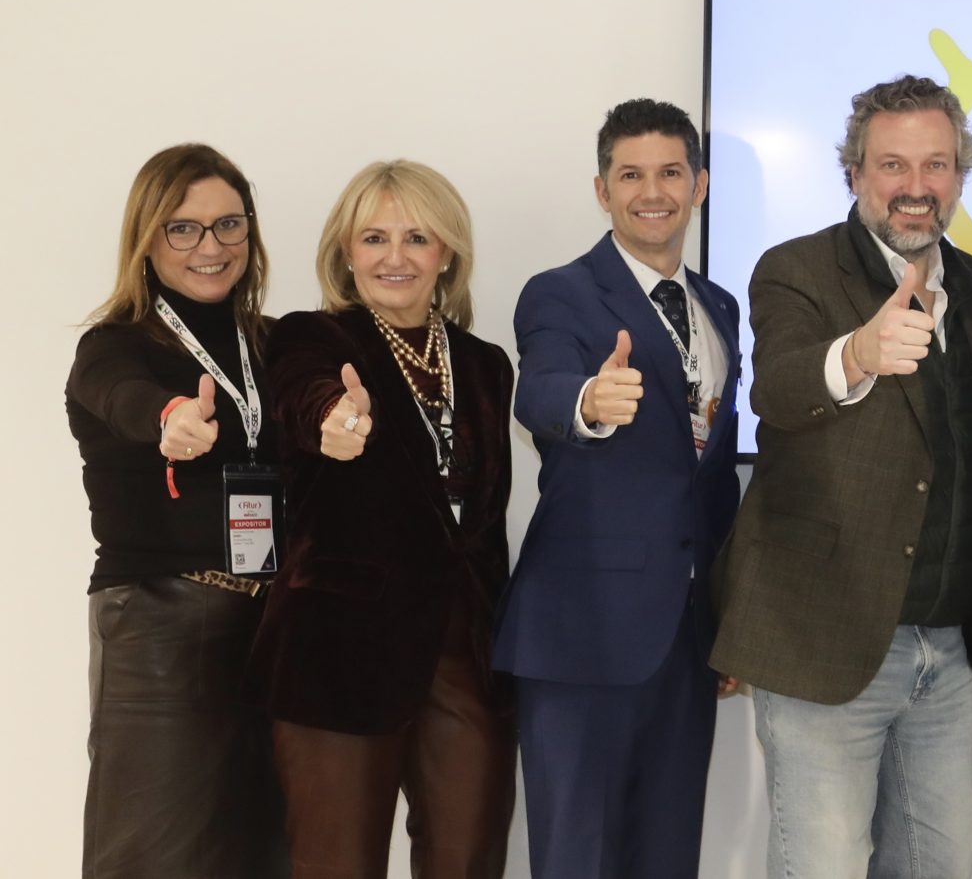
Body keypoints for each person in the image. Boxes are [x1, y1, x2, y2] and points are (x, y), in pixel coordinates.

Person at [708, 74, 972, 879]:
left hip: (947, 652)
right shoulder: (797, 269)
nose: (916, 187)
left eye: (936, 165)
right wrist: (856, 353)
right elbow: (778, 390)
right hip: (820, 642)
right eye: (892, 165)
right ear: (854, 173)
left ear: (959, 175)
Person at [250, 160, 515, 878]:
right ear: (346, 252)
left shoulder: (485, 365)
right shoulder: (310, 339)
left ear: (446, 253)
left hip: (465, 656)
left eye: (416, 238)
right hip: (339, 657)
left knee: (470, 860)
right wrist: (333, 422)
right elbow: (306, 398)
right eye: (374, 238)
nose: (395, 257)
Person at [498, 99, 742, 878]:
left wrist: (729, 616)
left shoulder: (720, 307)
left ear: (699, 185)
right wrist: (588, 403)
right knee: (579, 859)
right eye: (630, 175)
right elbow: (540, 389)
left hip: (687, 639)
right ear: (602, 191)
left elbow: (711, 481)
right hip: (583, 635)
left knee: (668, 857)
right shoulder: (560, 293)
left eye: (670, 172)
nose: (652, 192)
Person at [69, 143, 288, 878]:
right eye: (183, 228)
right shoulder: (113, 346)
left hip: (273, 628)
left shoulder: (272, 343)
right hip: (160, 627)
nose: (211, 246)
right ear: (147, 236)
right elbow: (121, 398)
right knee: (151, 858)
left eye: (229, 224)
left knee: (264, 853)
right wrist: (169, 417)